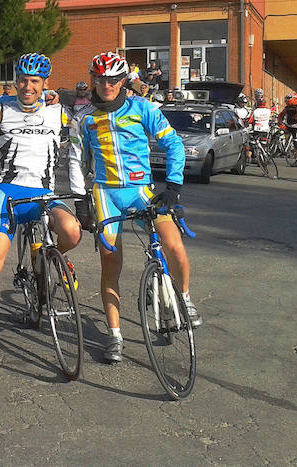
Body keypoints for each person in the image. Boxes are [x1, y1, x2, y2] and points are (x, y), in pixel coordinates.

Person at [69, 51, 202, 364]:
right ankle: (115, 336)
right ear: (93, 80)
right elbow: (75, 159)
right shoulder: (84, 117)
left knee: (173, 244)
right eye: (100, 79)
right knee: (110, 263)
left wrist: (173, 186)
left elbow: (173, 144)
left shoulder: (142, 108)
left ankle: (183, 297)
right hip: (105, 194)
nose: (106, 84)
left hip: (141, 192)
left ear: (122, 80)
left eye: (113, 79)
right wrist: (79, 200)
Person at [0, 53, 82, 369]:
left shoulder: (60, 113)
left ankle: (60, 258)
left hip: (44, 194)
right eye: (23, 80)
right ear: (16, 80)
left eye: (34, 81)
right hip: (10, 194)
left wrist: (83, 191)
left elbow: (85, 137)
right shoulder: (1, 109)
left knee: (72, 231)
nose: (27, 87)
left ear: (45, 84)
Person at [278, 93, 297, 167]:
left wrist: (294, 118)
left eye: (288, 99)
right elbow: (281, 115)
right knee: (282, 133)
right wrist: (280, 122)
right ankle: (285, 148)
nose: (286, 101)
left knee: (296, 141)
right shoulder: (287, 107)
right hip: (289, 124)